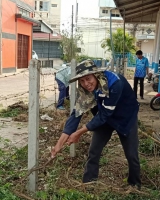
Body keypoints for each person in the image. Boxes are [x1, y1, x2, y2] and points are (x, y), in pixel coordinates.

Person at [51, 60, 141, 188]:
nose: (86, 84)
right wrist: (59, 144)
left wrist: (79, 133)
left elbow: (104, 114)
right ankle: (89, 184)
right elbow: (76, 115)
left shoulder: (115, 83)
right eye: (81, 81)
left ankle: (134, 185)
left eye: (88, 79)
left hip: (125, 118)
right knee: (94, 151)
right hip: (104, 119)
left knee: (131, 154)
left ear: (96, 75)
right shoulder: (85, 90)